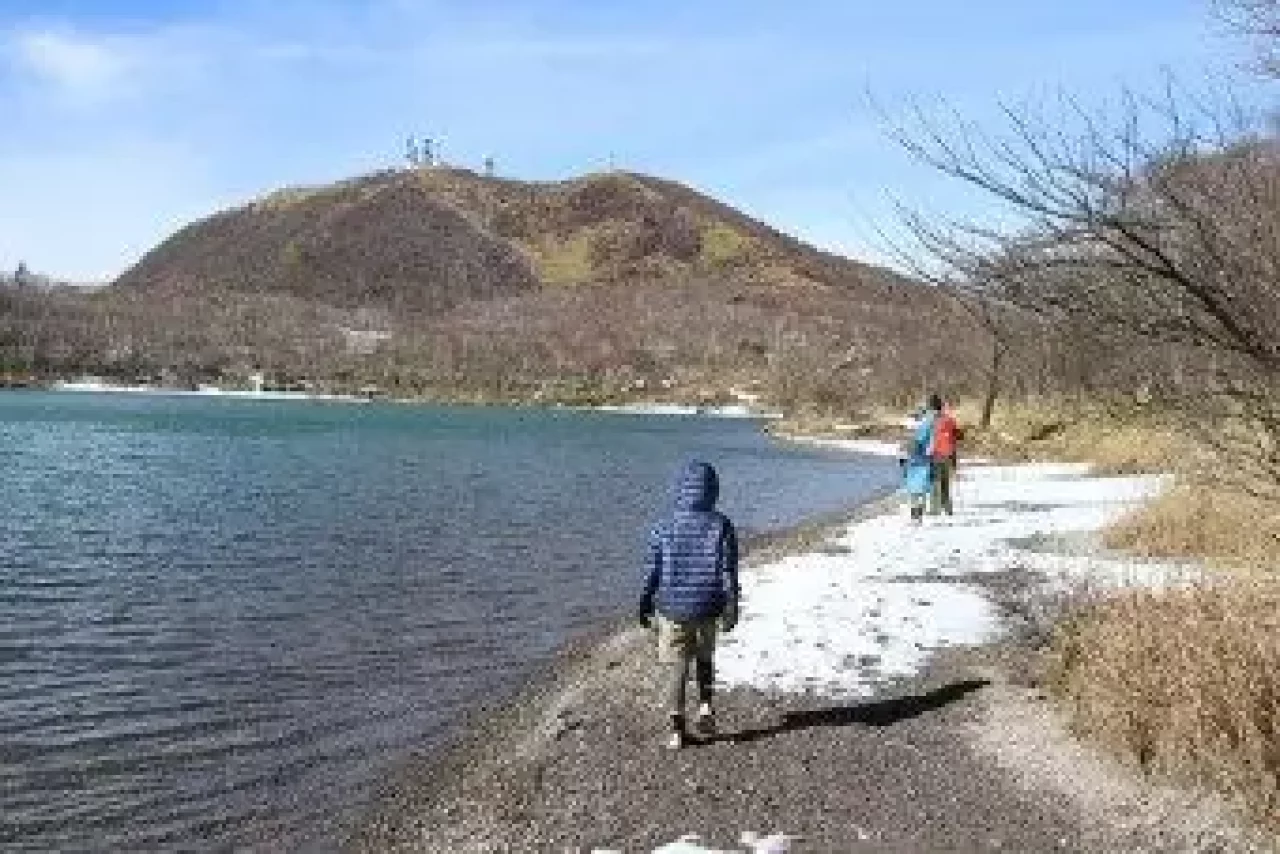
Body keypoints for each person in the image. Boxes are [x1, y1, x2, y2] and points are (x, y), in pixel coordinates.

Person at [639, 460, 740, 750]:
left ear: (679, 490)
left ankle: (676, 731)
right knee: (705, 657)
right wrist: (732, 604)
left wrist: (645, 602)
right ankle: (706, 705)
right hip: (708, 606)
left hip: (673, 608)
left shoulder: (663, 526)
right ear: (713, 490)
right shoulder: (722, 525)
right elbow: (728, 571)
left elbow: (652, 571)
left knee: (679, 664)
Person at [900, 404, 936, 524]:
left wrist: (903, 462)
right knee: (921, 490)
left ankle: (915, 516)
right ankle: (918, 515)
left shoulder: (910, 433)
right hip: (924, 462)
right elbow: (931, 448)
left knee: (913, 491)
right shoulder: (928, 428)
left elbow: (903, 450)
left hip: (913, 464)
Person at [929, 395, 962, 516]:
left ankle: (935, 509)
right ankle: (947, 508)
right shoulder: (949, 420)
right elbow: (959, 436)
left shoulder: (930, 421)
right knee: (945, 483)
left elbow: (924, 439)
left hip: (935, 455)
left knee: (934, 482)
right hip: (949, 455)